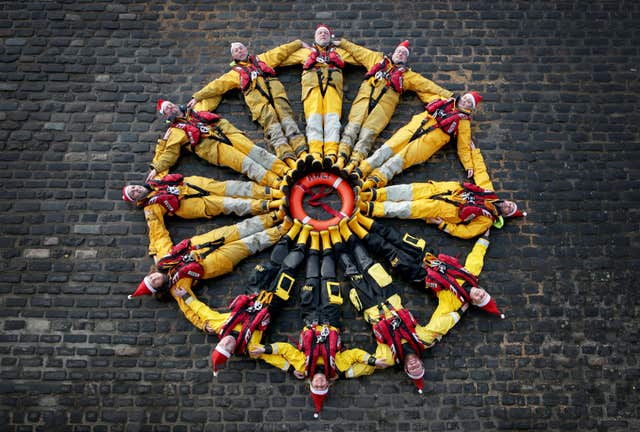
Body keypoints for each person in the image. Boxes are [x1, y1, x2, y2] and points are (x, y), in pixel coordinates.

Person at [250, 230, 386, 418]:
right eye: (323, 387)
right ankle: (327, 246)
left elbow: (284, 351)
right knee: (329, 279)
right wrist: (373, 361)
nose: (320, 384)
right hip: (331, 317)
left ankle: (315, 244)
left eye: (316, 386)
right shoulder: (337, 366)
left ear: (311, 383)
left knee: (312, 279)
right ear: (328, 385)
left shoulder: (301, 366)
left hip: (310, 316)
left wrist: (264, 350)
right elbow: (355, 355)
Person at [170, 222, 312, 375]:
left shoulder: (220, 326)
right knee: (288, 270)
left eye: (223, 344)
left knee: (270, 265)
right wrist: (291, 368)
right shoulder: (250, 347)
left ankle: (294, 230)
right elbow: (271, 358)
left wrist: (185, 297)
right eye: (228, 348)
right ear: (231, 352)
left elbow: (203, 311)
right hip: (272, 304)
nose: (227, 343)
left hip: (252, 292)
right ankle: (303, 238)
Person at [333, 38, 452, 171]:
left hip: (383, 110)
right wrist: (342, 43)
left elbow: (428, 86)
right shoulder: (376, 59)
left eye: (404, 54)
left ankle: (353, 164)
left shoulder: (409, 76)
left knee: (368, 136)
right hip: (363, 101)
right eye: (399, 51)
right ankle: (341, 159)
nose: (400, 54)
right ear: (393, 53)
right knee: (351, 129)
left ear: (406, 59)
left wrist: (451, 97)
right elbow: (359, 51)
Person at [187, 40, 307, 167]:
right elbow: (217, 86)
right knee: (274, 131)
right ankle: (289, 160)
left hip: (279, 99)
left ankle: (302, 153)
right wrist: (197, 97)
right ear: (233, 56)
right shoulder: (234, 75)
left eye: (241, 48)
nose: (239, 51)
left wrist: (298, 43)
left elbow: (281, 51)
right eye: (235, 51)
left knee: (290, 124)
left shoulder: (263, 59)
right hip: (261, 107)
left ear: (246, 49)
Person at [128, 211, 291, 300]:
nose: (154, 279)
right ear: (159, 289)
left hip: (206, 241)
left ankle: (275, 216)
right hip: (217, 262)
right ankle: (281, 230)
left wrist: (151, 215)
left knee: (241, 228)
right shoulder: (179, 289)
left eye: (151, 278)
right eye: (154, 283)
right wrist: (190, 303)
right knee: (251, 244)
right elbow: (193, 312)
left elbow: (159, 236)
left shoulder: (163, 259)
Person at [356, 92, 485, 189]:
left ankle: (373, 181)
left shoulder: (464, 122)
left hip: (428, 143)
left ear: (471, 108)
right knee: (387, 148)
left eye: (469, 102)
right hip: (413, 128)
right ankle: (361, 169)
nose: (465, 101)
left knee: (399, 161)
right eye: (465, 98)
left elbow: (463, 145)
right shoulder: (444, 100)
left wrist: (468, 165)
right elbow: (425, 91)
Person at [147, 100, 288, 188]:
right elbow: (169, 154)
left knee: (258, 153)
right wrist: (156, 169)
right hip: (215, 150)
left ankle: (285, 171)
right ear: (166, 116)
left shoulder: (197, 107)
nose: (171, 108)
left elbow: (214, 94)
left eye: (170, 105)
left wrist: (198, 96)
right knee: (247, 165)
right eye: (167, 109)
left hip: (228, 133)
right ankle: (276, 183)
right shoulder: (174, 133)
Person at [359, 172, 526, 239]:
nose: (508, 206)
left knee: (403, 209)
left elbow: (466, 232)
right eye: (511, 204)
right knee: (402, 191)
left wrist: (444, 225)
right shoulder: (489, 192)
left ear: (505, 215)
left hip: (439, 210)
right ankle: (367, 195)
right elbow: (481, 171)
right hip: (438, 189)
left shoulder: (486, 221)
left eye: (509, 210)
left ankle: (367, 207)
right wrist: (473, 151)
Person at [280, 24, 358, 164]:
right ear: (315, 37)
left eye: (325, 33)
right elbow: (281, 57)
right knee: (313, 121)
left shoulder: (340, 53)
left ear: (330, 37)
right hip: (312, 91)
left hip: (333, 91)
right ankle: (315, 154)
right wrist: (296, 44)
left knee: (333, 123)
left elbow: (360, 56)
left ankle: (331, 154)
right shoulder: (305, 53)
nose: (323, 34)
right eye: (320, 33)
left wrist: (344, 44)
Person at [419, 229, 505, 347]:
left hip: (421, 275)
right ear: (483, 290)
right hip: (431, 259)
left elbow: (438, 321)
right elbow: (477, 255)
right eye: (483, 294)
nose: (480, 295)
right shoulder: (471, 274)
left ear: (474, 302)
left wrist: (433, 339)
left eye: (480, 299)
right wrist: (485, 236)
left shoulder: (455, 303)